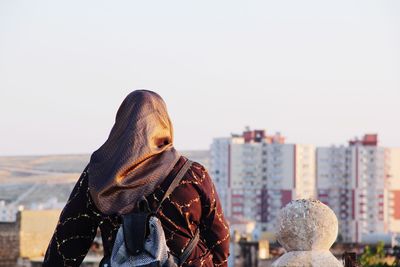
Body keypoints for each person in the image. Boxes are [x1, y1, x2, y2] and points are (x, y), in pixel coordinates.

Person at [43, 90, 230, 267]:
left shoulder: (99, 175)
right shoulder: (193, 175)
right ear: (164, 124)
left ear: (121, 126)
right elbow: (220, 237)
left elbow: (68, 241)